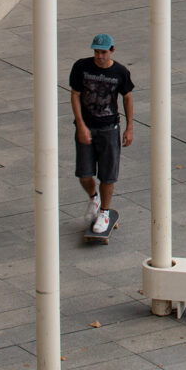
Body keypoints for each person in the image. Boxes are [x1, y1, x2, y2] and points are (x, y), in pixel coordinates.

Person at [69, 33, 134, 235]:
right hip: (87, 127)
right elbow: (75, 95)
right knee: (84, 174)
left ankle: (104, 212)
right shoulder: (81, 67)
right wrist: (81, 125)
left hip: (109, 129)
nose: (99, 56)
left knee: (107, 175)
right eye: (96, 52)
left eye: (103, 52)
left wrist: (129, 127)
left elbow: (127, 98)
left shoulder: (120, 72)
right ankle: (93, 198)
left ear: (112, 50)